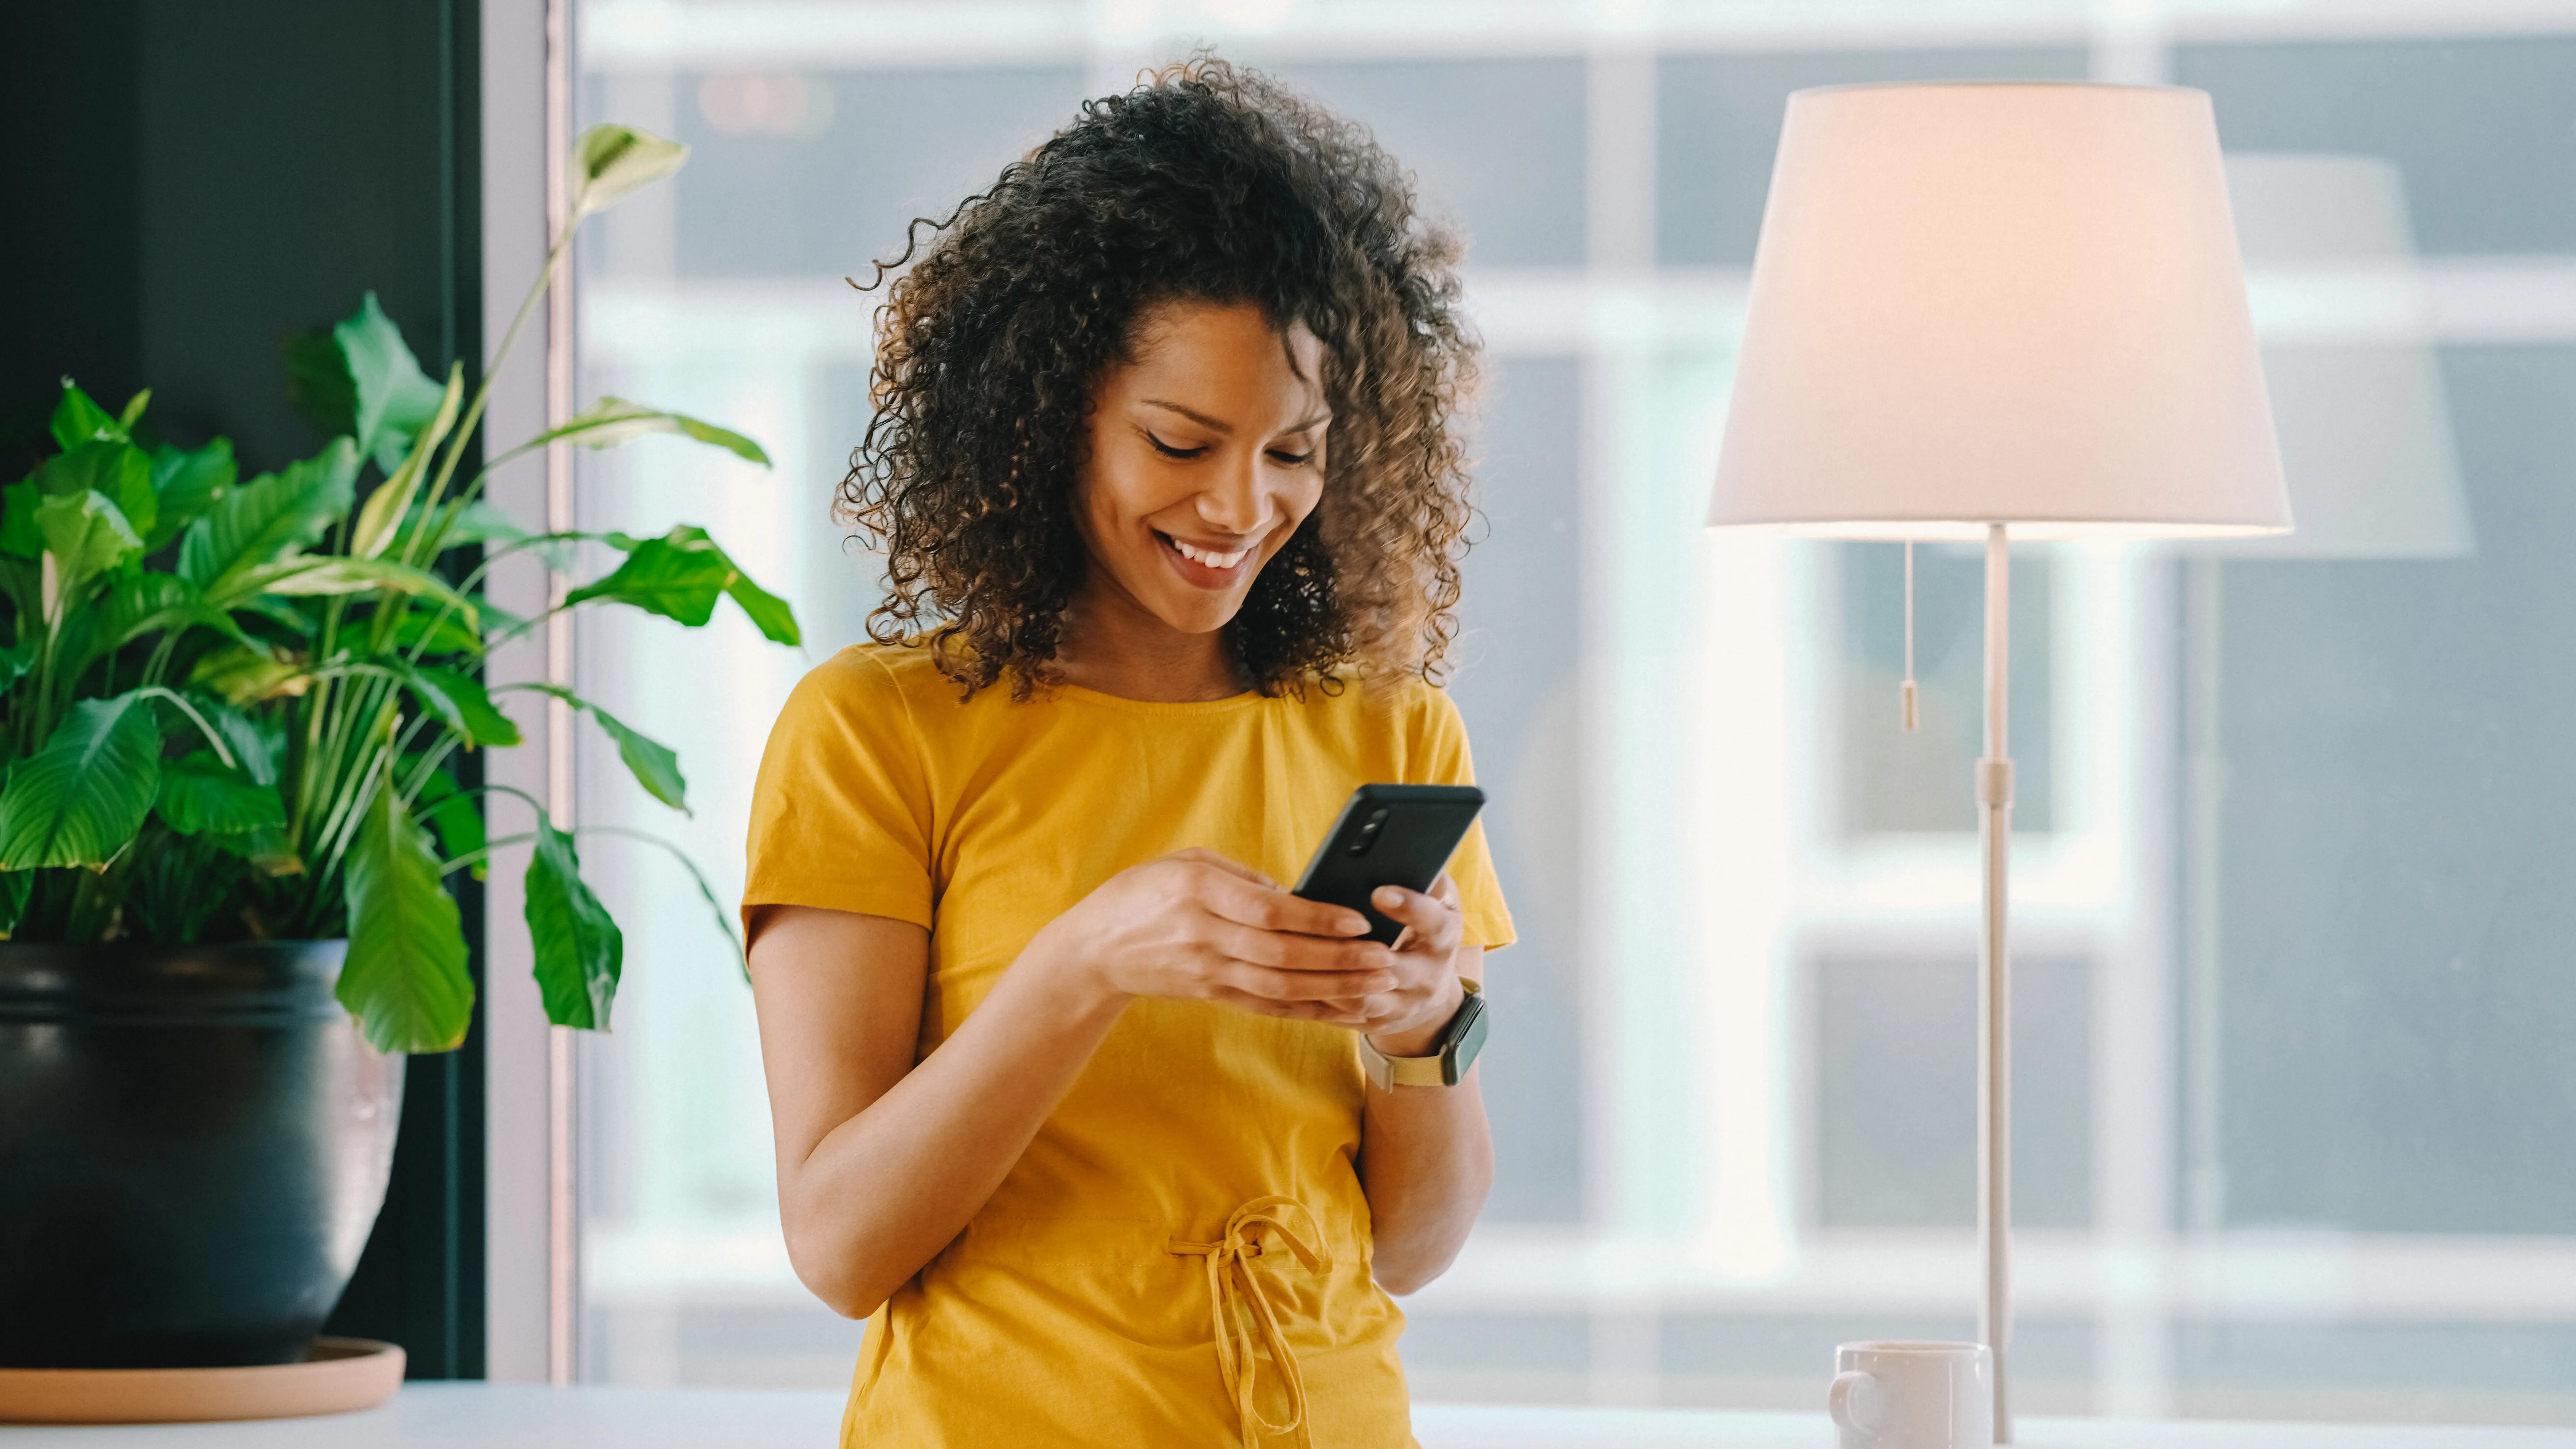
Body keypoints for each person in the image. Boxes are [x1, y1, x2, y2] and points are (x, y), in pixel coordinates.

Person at [742, 57, 1512, 1448]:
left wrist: (1417, 1034)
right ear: (1054, 419)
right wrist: (1086, 961)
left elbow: (1413, 1247)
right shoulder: (878, 731)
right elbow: (841, 1246)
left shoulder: (1392, 730)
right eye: (1181, 440)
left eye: (1294, 451)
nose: (1240, 504)